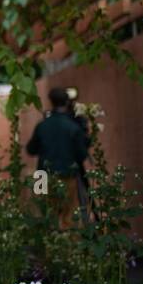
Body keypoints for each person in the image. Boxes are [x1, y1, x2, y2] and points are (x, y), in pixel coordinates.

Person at [26, 86, 90, 225]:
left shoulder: (42, 126)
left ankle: (47, 245)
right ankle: (68, 245)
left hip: (42, 176)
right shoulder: (73, 127)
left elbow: (31, 150)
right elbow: (82, 155)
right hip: (67, 175)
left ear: (51, 101)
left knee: (44, 214)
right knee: (69, 216)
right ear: (67, 102)